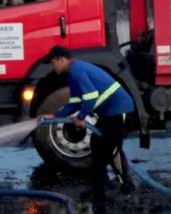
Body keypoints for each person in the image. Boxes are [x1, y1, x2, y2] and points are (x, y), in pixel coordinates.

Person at [39, 45, 137, 199]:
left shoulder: (76, 71)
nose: (52, 67)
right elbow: (76, 103)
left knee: (112, 148)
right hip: (109, 112)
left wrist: (80, 117)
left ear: (61, 59)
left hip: (119, 109)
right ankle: (99, 187)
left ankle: (126, 186)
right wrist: (54, 115)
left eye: (53, 63)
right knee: (97, 145)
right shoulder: (72, 74)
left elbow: (90, 98)